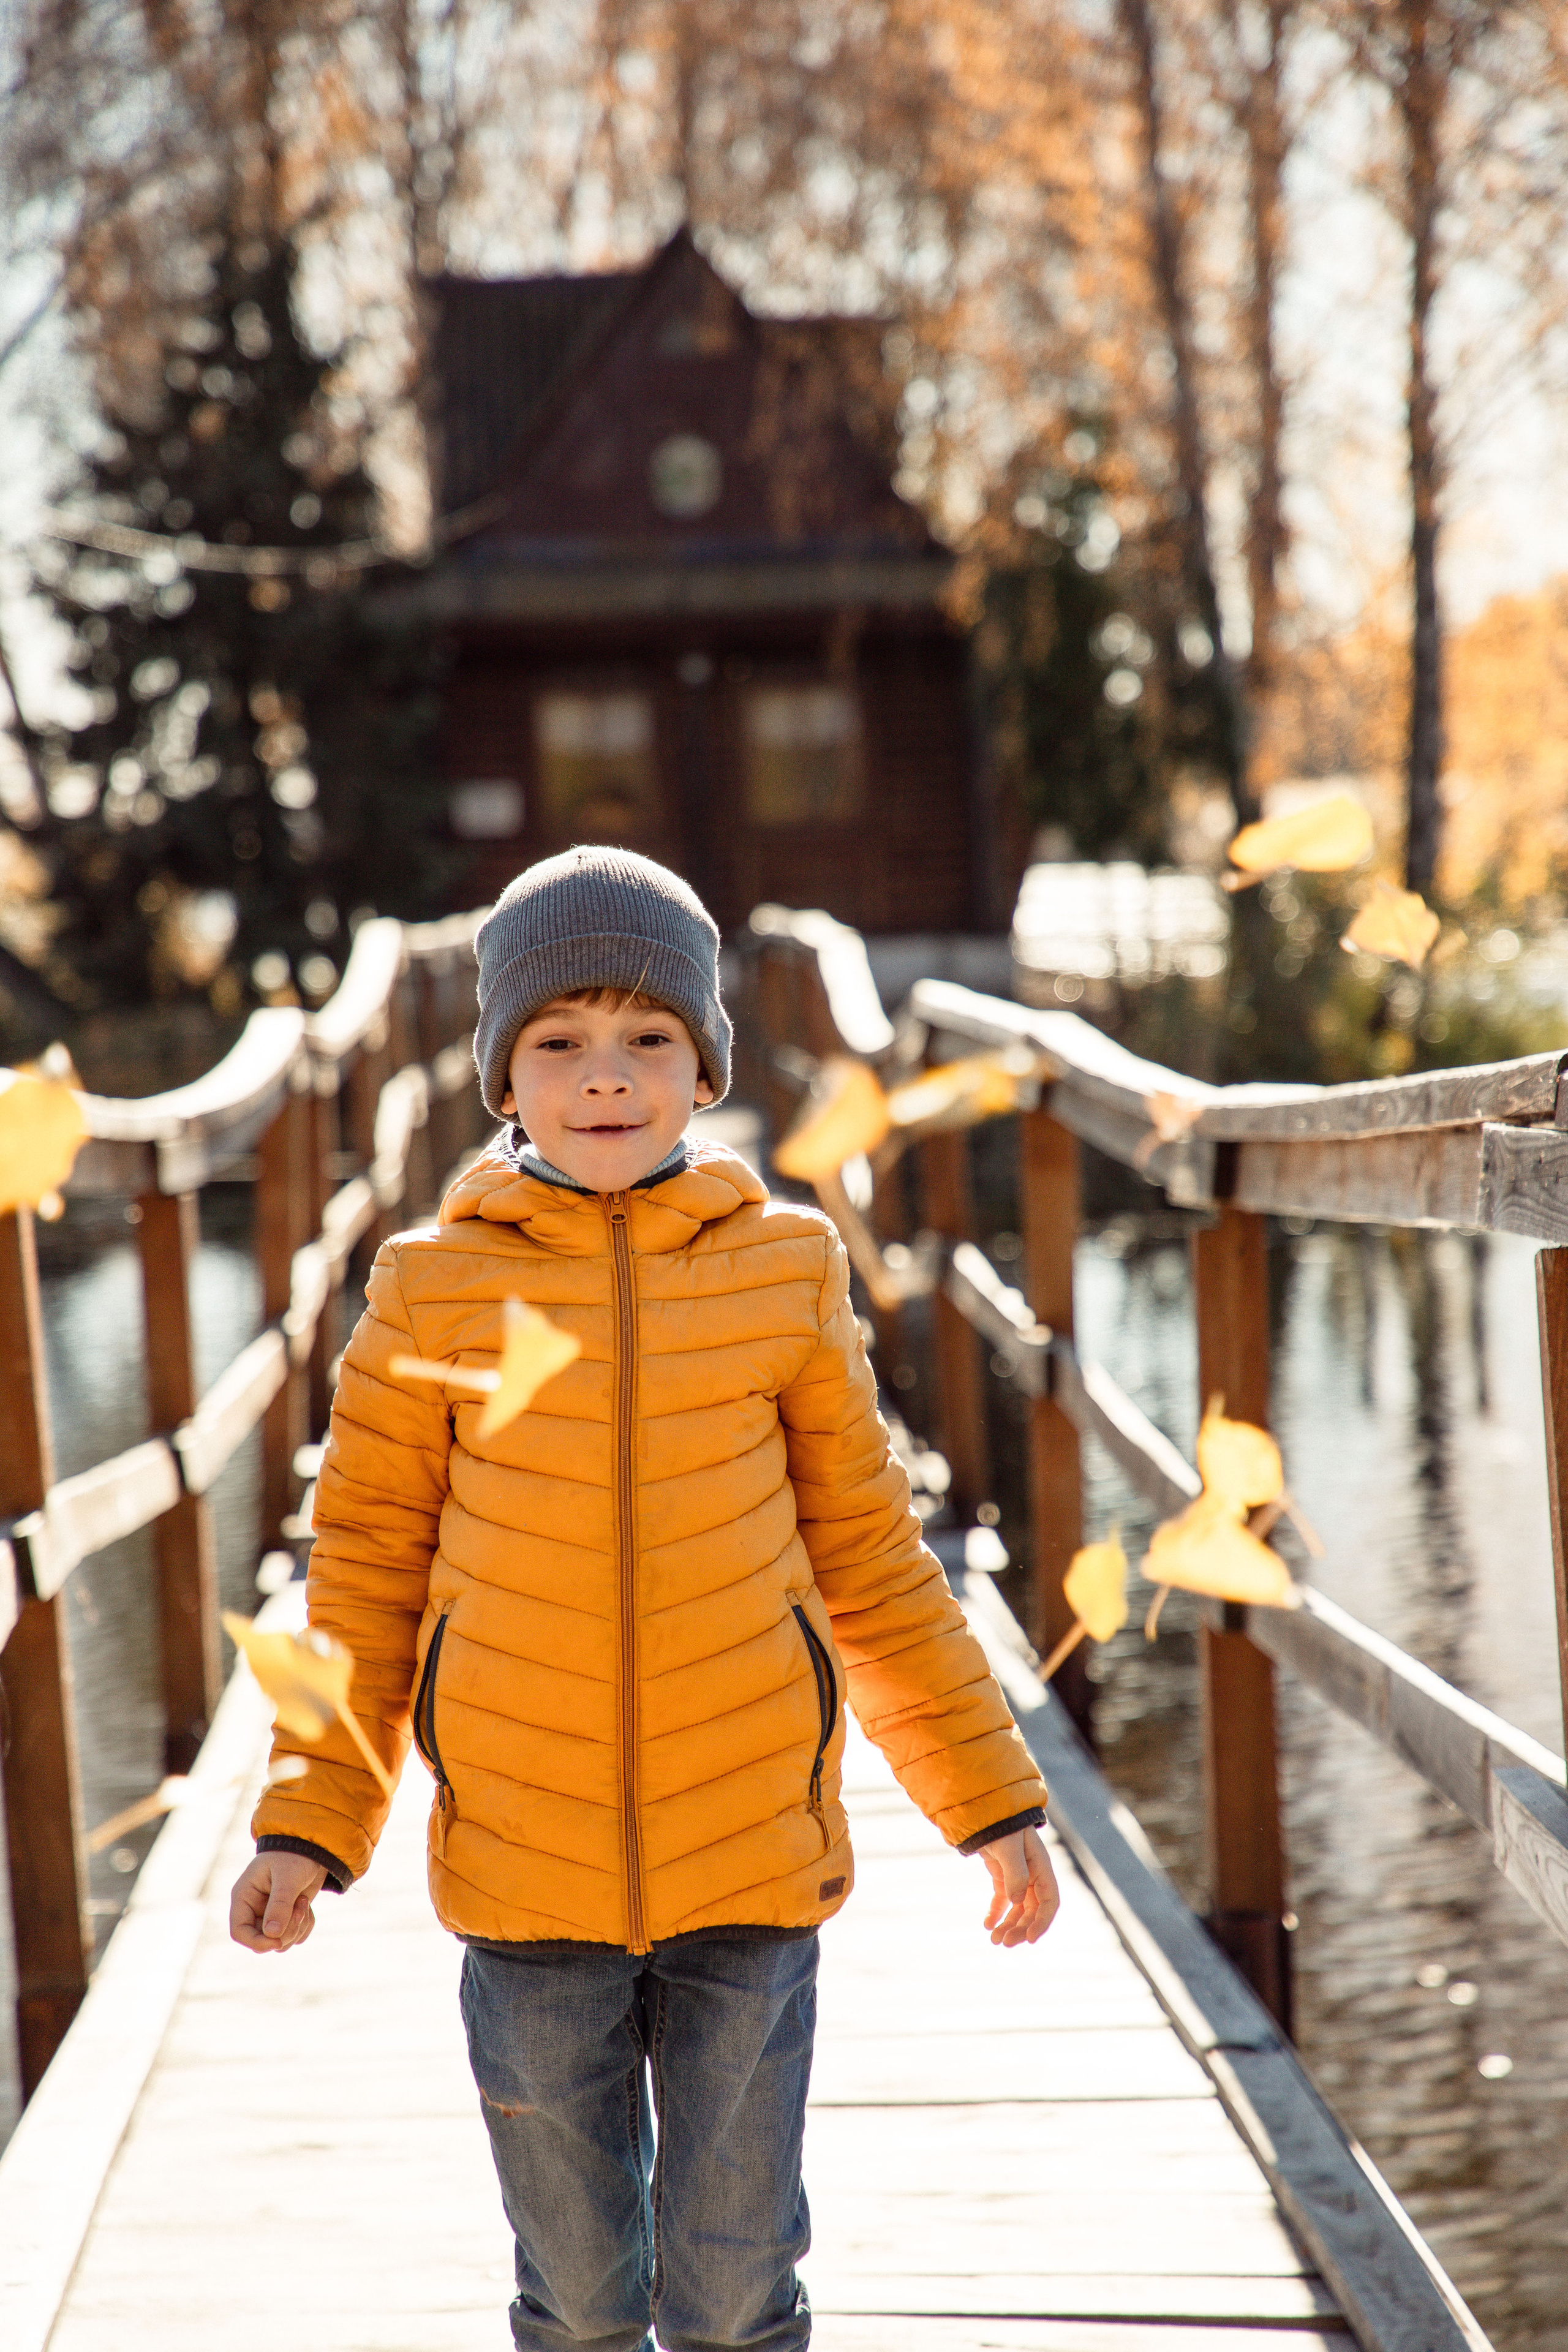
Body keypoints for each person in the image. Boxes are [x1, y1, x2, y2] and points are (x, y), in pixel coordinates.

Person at [229, 845, 1058, 2352]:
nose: (605, 1079)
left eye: (647, 1041)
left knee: (737, 2296)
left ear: (704, 1062)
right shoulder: (431, 1290)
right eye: (559, 1042)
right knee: (584, 2299)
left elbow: (871, 1557)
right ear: (500, 1076)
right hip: (524, 1869)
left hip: (749, 1849)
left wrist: (987, 1800)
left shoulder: (787, 1268)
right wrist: (307, 1819)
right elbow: (361, 1574)